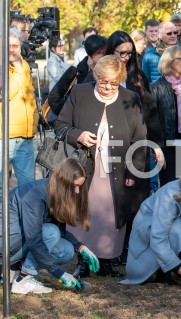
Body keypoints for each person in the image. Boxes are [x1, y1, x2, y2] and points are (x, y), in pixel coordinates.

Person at [55, 55, 147, 277]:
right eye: (103, 81)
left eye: (113, 83)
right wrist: (79, 135)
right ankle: (84, 259)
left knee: (110, 214)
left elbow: (140, 139)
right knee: (84, 210)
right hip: (84, 166)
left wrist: (133, 170)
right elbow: (60, 124)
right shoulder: (80, 93)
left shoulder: (130, 98)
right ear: (95, 76)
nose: (107, 87)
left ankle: (107, 260)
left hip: (116, 167)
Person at [0, 158, 99, 294]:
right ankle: (22, 280)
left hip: (17, 244)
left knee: (66, 250)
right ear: (64, 182)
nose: (77, 191)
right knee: (51, 232)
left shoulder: (55, 192)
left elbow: (60, 229)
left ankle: (13, 270)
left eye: (80, 187)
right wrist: (58, 273)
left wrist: (80, 247)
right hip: (4, 247)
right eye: (75, 186)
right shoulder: (35, 196)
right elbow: (34, 239)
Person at [104, 30, 150, 265]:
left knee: (136, 200)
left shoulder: (137, 77)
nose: (124, 56)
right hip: (111, 146)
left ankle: (131, 247)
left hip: (137, 145)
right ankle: (111, 247)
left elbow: (149, 113)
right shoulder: (104, 76)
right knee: (112, 199)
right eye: (120, 52)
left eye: (129, 53)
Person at [145, 45, 181, 186]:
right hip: (168, 148)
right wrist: (157, 148)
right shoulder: (155, 88)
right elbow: (151, 123)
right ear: (169, 61)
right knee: (169, 188)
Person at [0, 28, 39, 194]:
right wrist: (18, 68)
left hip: (26, 137)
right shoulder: (10, 68)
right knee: (2, 187)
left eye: (15, 46)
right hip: (4, 136)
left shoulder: (23, 65)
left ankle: (24, 219)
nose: (11, 50)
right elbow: (7, 93)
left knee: (28, 187)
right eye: (8, 46)